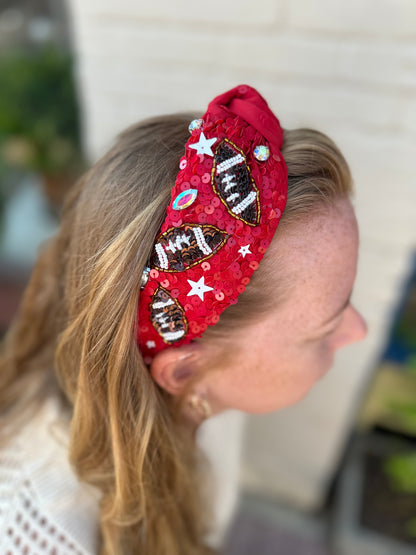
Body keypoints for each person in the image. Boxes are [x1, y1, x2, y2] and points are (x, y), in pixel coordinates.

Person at [0, 84, 367, 555]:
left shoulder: (204, 398)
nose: (359, 331)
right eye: (321, 331)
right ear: (184, 371)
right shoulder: (44, 534)